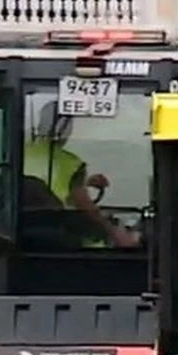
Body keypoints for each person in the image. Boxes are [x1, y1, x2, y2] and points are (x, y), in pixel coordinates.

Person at [22, 100, 137, 247]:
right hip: (57, 238)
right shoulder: (71, 163)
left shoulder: (19, 152)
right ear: (65, 128)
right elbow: (87, 210)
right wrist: (116, 234)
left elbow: (40, 182)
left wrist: (86, 182)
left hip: (20, 233)